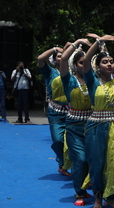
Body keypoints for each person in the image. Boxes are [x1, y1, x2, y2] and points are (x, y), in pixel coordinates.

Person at [82, 33, 114, 208]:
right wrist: (99, 43)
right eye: (104, 62)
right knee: (98, 162)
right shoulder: (92, 81)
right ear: (98, 66)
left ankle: (111, 196)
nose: (109, 64)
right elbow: (85, 62)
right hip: (96, 127)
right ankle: (98, 196)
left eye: (111, 62)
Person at [60, 38, 93, 206]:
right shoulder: (69, 80)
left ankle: (93, 188)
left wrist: (100, 45)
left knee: (93, 158)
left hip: (93, 124)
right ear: (75, 65)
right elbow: (64, 59)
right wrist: (77, 42)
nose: (85, 65)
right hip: (74, 126)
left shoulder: (94, 79)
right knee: (79, 159)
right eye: (81, 62)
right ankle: (79, 192)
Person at [37, 44, 72, 177]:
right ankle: (62, 161)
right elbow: (40, 59)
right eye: (59, 56)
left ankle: (77, 168)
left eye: (65, 55)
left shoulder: (73, 72)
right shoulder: (50, 71)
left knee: (73, 141)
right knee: (58, 140)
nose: (63, 57)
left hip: (73, 112)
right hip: (55, 113)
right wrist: (55, 49)